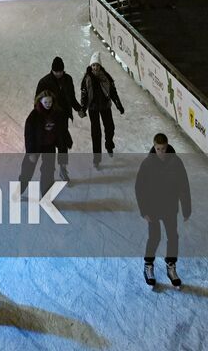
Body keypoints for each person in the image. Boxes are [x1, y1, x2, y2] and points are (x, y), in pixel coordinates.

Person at [135, 132, 191, 288]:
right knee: (155, 237)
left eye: (164, 148)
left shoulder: (176, 162)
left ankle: (171, 267)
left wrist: (186, 209)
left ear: (167, 146)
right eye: (158, 149)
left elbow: (184, 186)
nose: (161, 152)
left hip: (170, 207)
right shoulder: (147, 164)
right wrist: (143, 210)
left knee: (173, 237)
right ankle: (148, 266)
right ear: (154, 147)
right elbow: (139, 188)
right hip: (153, 207)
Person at [35, 56, 83, 181]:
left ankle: (62, 168)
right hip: (49, 118)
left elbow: (71, 97)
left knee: (62, 144)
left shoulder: (68, 79)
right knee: (49, 144)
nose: (58, 74)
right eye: (56, 72)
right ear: (52, 70)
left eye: (60, 71)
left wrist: (78, 109)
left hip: (63, 117)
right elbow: (37, 101)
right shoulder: (44, 82)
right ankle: (48, 171)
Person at [19, 90, 68, 197]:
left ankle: (46, 196)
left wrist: (63, 158)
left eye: (50, 102)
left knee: (49, 172)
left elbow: (61, 134)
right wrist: (31, 153)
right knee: (27, 170)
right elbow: (29, 136)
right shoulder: (34, 116)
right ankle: (19, 191)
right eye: (45, 102)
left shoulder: (57, 114)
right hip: (36, 146)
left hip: (49, 146)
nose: (48, 105)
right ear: (40, 101)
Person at [80, 50, 125, 166]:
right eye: (94, 65)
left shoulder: (106, 77)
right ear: (91, 66)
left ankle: (109, 144)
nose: (95, 68)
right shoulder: (87, 79)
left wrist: (118, 104)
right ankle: (97, 159)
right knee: (96, 133)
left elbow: (113, 92)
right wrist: (83, 108)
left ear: (100, 66)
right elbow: (84, 95)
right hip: (93, 108)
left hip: (105, 106)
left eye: (97, 65)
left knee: (110, 127)